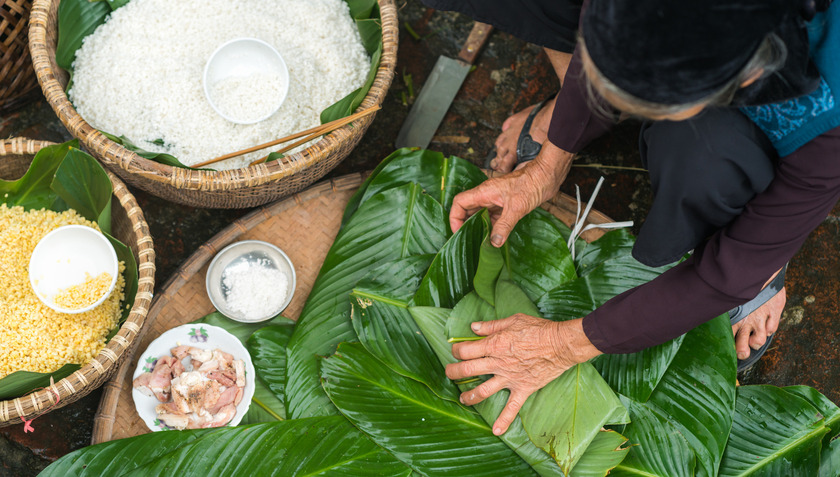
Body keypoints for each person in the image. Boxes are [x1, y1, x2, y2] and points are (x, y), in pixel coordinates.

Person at [420, 0, 840, 436]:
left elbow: (718, 277)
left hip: (801, 107)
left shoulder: (826, 125)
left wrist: (560, 346)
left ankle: (767, 255)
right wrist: (548, 165)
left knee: (703, 166)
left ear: (743, 81)